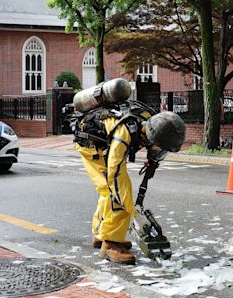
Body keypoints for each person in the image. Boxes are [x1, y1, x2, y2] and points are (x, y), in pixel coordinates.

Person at [74, 100, 186, 265]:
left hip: (106, 143)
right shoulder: (124, 134)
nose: (159, 152)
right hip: (92, 147)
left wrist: (152, 160)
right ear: (150, 137)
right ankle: (111, 243)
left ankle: (101, 234)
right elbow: (115, 175)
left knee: (109, 191)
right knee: (116, 193)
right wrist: (134, 215)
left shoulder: (152, 122)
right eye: (160, 148)